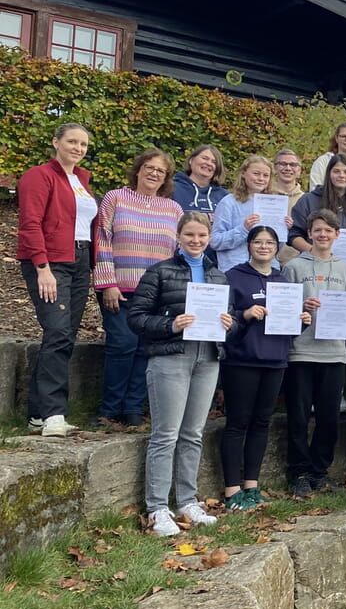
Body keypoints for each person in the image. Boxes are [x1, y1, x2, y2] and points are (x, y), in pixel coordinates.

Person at [128, 211, 235, 536]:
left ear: (208, 237)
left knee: (193, 433)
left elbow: (228, 317)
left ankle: (187, 500)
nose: (196, 241)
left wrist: (231, 323)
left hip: (208, 357)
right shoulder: (160, 272)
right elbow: (136, 317)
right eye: (190, 235)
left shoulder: (218, 276)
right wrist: (170, 325)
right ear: (178, 236)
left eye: (201, 236)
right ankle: (157, 508)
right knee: (166, 435)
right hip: (171, 357)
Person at [93, 148, 184, 430]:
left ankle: (133, 411)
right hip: (119, 288)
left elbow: (179, 251)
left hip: (156, 293)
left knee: (145, 349)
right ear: (138, 169)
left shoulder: (174, 209)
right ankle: (109, 411)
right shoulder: (115, 198)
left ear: (166, 177)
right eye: (149, 167)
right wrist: (107, 283)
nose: (154, 173)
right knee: (122, 344)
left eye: (160, 170)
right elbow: (102, 240)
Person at [221, 225, 310, 510]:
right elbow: (223, 322)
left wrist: (301, 321)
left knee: (262, 423)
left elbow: (288, 330)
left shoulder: (283, 281)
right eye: (258, 242)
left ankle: (252, 486)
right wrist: (244, 314)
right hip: (242, 359)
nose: (263, 247)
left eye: (269, 242)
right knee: (237, 423)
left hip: (275, 360)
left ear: (276, 247)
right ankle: (232, 490)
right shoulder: (233, 277)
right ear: (248, 245)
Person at [18, 122, 96, 436]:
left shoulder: (81, 180)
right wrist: (42, 266)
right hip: (51, 262)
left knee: (63, 335)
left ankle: (38, 414)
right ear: (56, 142)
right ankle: (53, 414)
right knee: (58, 331)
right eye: (72, 142)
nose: (78, 148)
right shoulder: (39, 176)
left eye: (83, 144)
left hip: (80, 261)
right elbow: (30, 223)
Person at [282, 208, 346, 497]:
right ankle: (299, 472)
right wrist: (302, 309)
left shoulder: (343, 268)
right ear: (309, 234)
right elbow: (282, 310)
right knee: (299, 417)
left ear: (337, 235)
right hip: (301, 352)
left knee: (329, 418)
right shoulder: (293, 268)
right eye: (318, 230)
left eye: (328, 230)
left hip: (334, 353)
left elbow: (345, 312)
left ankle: (320, 472)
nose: (323, 234)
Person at [288, 153, 346, 264]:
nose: (341, 175)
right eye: (336, 171)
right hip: (314, 266)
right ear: (328, 174)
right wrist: (312, 251)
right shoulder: (308, 200)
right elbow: (294, 234)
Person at [211, 155, 278, 272]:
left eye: (266, 175)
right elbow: (215, 242)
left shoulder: (274, 204)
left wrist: (283, 229)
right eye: (256, 174)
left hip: (268, 270)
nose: (261, 178)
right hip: (236, 270)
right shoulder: (228, 202)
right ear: (243, 173)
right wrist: (243, 229)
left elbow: (278, 248)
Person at [269, 149, 306, 266]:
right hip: (265, 260)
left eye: (293, 165)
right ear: (275, 168)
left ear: (299, 171)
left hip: (295, 262)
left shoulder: (306, 199)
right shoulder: (264, 196)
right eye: (283, 164)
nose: (288, 168)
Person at [172, 145, 229, 214]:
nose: (209, 163)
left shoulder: (225, 197)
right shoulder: (171, 189)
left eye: (214, 162)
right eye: (204, 158)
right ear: (191, 160)